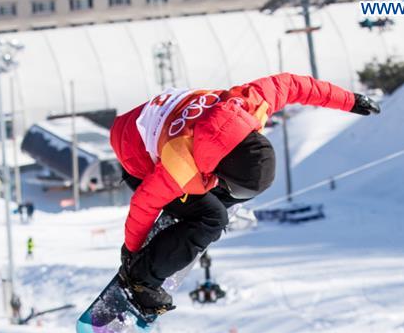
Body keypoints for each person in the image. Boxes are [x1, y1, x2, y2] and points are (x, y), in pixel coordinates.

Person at [109, 73, 379, 316]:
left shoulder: (250, 103)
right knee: (212, 218)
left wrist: (351, 100)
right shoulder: (180, 165)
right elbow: (143, 204)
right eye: (227, 185)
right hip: (135, 154)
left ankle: (194, 209)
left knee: (214, 202)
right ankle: (141, 280)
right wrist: (132, 251)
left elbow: (295, 85)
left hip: (164, 120)